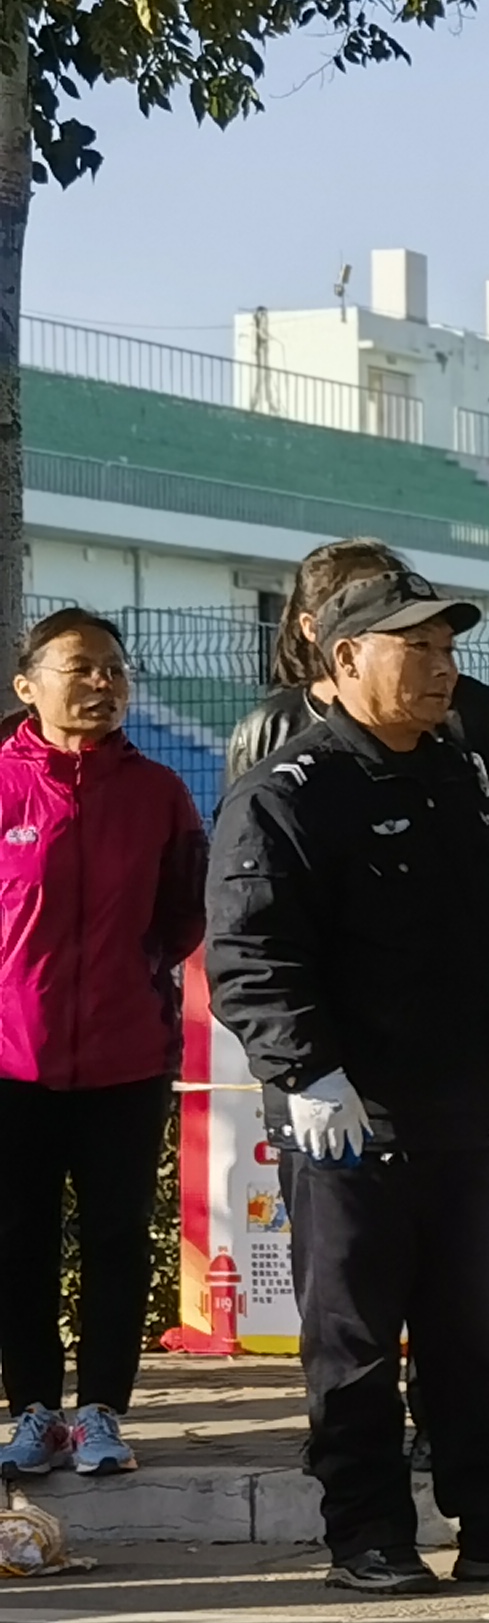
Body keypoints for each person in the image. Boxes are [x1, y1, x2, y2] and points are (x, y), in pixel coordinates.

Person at [204, 571, 489, 1595]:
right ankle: (366, 1532)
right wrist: (309, 1073)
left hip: (468, 1113)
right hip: (352, 1124)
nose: (440, 668)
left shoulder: (454, 777)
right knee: (355, 1347)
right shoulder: (287, 797)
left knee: (475, 1338)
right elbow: (251, 957)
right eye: (414, 649)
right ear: (345, 661)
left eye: (447, 649)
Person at [0, 611, 200, 1483]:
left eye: (114, 671)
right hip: (11, 1063)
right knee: (19, 1237)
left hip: (127, 1056)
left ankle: (103, 1412)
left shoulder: (158, 792)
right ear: (27, 686)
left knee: (119, 1237)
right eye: (81, 669)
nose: (102, 686)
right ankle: (33, 1410)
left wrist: (140, 972)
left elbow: (184, 910)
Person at [226, 536, 489, 854]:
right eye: (358, 600)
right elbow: (245, 848)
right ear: (313, 628)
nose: (444, 669)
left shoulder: (474, 708)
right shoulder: (268, 728)